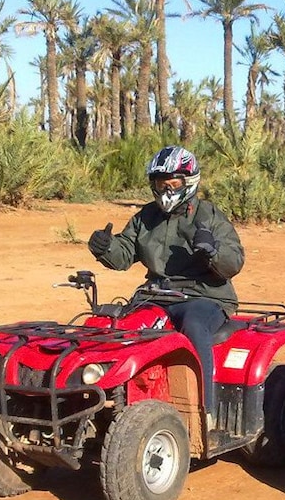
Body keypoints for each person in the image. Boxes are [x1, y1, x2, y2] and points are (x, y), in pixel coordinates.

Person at [87, 145, 245, 424]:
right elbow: (124, 254)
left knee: (194, 327)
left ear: (189, 182)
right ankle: (100, 398)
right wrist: (105, 248)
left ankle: (204, 410)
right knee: (113, 326)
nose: (167, 190)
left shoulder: (208, 215)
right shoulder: (146, 217)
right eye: (162, 184)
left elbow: (233, 262)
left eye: (173, 184)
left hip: (204, 296)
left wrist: (212, 251)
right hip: (155, 295)